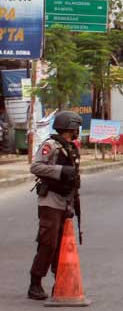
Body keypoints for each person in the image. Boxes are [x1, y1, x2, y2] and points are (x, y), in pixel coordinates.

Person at [28, 111, 83, 300]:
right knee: (48, 243)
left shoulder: (71, 148)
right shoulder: (50, 145)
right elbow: (35, 167)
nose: (77, 131)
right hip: (50, 201)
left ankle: (60, 284)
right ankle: (35, 284)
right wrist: (60, 171)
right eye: (76, 127)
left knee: (61, 246)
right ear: (69, 127)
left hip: (65, 201)